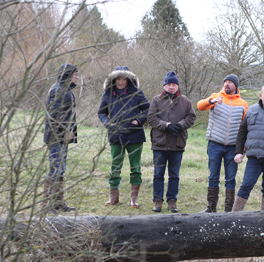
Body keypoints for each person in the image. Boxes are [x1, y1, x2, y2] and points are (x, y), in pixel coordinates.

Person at [98, 66, 150, 208]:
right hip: (116, 135)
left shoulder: (137, 93)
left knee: (135, 167)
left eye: (123, 79)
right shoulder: (107, 94)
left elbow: (147, 109)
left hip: (135, 135)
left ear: (128, 80)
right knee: (115, 167)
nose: (120, 82)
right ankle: (113, 197)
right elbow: (101, 113)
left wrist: (138, 120)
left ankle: (134, 199)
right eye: (118, 79)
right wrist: (108, 123)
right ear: (113, 80)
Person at [196, 74, 249, 213]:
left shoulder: (243, 104)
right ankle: (211, 207)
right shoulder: (215, 96)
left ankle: (228, 210)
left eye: (230, 82)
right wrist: (212, 100)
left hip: (233, 147)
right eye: (225, 82)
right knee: (213, 176)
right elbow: (200, 106)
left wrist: (242, 149)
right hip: (215, 144)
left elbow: (245, 129)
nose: (227, 84)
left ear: (235, 86)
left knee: (230, 178)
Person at [146, 71, 196, 213]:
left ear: (177, 86)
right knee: (158, 174)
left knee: (174, 175)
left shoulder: (185, 101)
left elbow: (191, 117)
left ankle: (172, 201)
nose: (172, 87)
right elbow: (151, 118)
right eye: (169, 84)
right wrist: (167, 125)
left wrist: (180, 125)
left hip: (177, 143)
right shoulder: (156, 100)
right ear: (164, 85)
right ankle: (157, 201)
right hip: (159, 143)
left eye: (174, 84)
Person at [43, 63, 79, 212]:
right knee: (55, 169)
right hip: (56, 137)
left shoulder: (63, 89)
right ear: (68, 76)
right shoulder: (59, 90)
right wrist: (65, 131)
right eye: (75, 75)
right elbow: (55, 116)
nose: (77, 78)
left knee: (60, 169)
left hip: (59, 137)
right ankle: (47, 204)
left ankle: (58, 202)